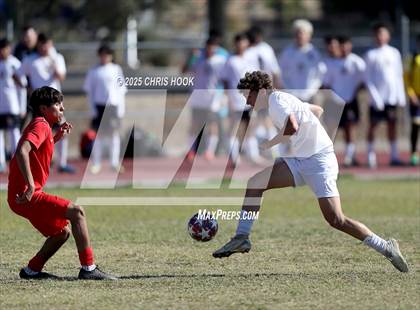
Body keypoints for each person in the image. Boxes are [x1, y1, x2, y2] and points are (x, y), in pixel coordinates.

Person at [212, 71, 408, 274]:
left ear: (260, 91)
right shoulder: (282, 100)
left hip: (319, 162)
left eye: (249, 96)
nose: (249, 103)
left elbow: (292, 127)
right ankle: (241, 238)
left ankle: (386, 247)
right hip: (301, 160)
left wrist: (270, 143)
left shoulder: (277, 102)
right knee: (255, 183)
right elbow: (317, 110)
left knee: (336, 220)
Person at [7, 86, 116, 280]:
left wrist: (56, 138)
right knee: (77, 212)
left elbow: (36, 149)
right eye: (57, 105)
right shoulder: (41, 124)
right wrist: (31, 186)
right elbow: (23, 150)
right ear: (43, 108)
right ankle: (89, 268)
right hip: (26, 194)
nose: (62, 108)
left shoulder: (42, 126)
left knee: (61, 233)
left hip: (19, 196)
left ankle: (31, 270)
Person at [20, 33, 75, 173]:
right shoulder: (30, 60)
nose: (45, 47)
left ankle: (62, 163)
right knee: (40, 132)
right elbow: (17, 75)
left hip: (55, 103)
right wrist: (28, 88)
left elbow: (61, 76)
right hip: (40, 104)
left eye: (48, 44)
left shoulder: (57, 58)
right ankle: (39, 161)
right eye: (43, 44)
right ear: (38, 45)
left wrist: (53, 62)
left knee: (63, 129)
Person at [364, 23, 406, 168]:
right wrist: (375, 97)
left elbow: (398, 75)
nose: (380, 37)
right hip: (377, 100)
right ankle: (370, 156)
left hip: (391, 98)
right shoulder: (370, 55)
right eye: (378, 34)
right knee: (373, 126)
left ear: (388, 36)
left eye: (383, 34)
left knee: (392, 125)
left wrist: (400, 96)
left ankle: (394, 156)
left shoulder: (394, 53)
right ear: (374, 36)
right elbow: (368, 79)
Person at [84, 44, 127, 173]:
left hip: (113, 106)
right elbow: (89, 91)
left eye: (107, 55)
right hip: (99, 106)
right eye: (102, 55)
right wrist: (91, 108)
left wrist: (121, 108)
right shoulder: (94, 71)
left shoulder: (116, 69)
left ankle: (114, 163)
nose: (104, 57)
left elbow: (122, 89)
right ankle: (96, 163)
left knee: (114, 134)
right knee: (99, 135)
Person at [219, 33, 261, 166]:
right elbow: (224, 80)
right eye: (238, 42)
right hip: (235, 99)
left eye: (243, 42)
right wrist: (226, 96)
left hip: (249, 99)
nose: (240, 45)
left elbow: (256, 76)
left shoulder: (251, 58)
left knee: (251, 126)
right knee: (234, 127)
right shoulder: (230, 60)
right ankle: (234, 156)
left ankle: (253, 155)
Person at [323, 35, 366, 166]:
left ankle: (349, 157)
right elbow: (326, 83)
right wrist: (333, 97)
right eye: (341, 45)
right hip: (334, 101)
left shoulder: (357, 62)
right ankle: (327, 157)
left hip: (350, 100)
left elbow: (363, 81)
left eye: (347, 45)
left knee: (350, 128)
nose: (344, 48)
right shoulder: (332, 63)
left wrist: (353, 94)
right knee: (331, 129)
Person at [184, 37, 226, 161]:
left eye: (213, 47)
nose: (210, 50)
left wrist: (224, 95)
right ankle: (191, 150)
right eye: (208, 47)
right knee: (195, 124)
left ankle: (209, 151)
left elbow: (226, 78)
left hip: (212, 97)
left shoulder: (221, 61)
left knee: (212, 124)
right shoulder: (198, 59)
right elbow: (184, 70)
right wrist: (190, 57)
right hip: (197, 96)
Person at [278, 19, 326, 102]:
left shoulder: (314, 53)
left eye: (303, 33)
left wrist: (311, 91)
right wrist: (290, 90)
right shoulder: (287, 52)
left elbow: (320, 74)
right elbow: (281, 72)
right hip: (291, 95)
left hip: (311, 95)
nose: (300, 36)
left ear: (309, 35)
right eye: (297, 33)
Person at [0, 38, 26, 173]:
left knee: (14, 133)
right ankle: (1, 162)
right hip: (0, 106)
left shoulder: (15, 64)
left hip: (12, 106)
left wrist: (22, 107)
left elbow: (23, 87)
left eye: (5, 49)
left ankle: (16, 161)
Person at [404, 34, 420, 166]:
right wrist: (411, 94)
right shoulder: (412, 58)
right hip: (416, 97)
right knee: (416, 125)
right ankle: (414, 153)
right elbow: (406, 78)